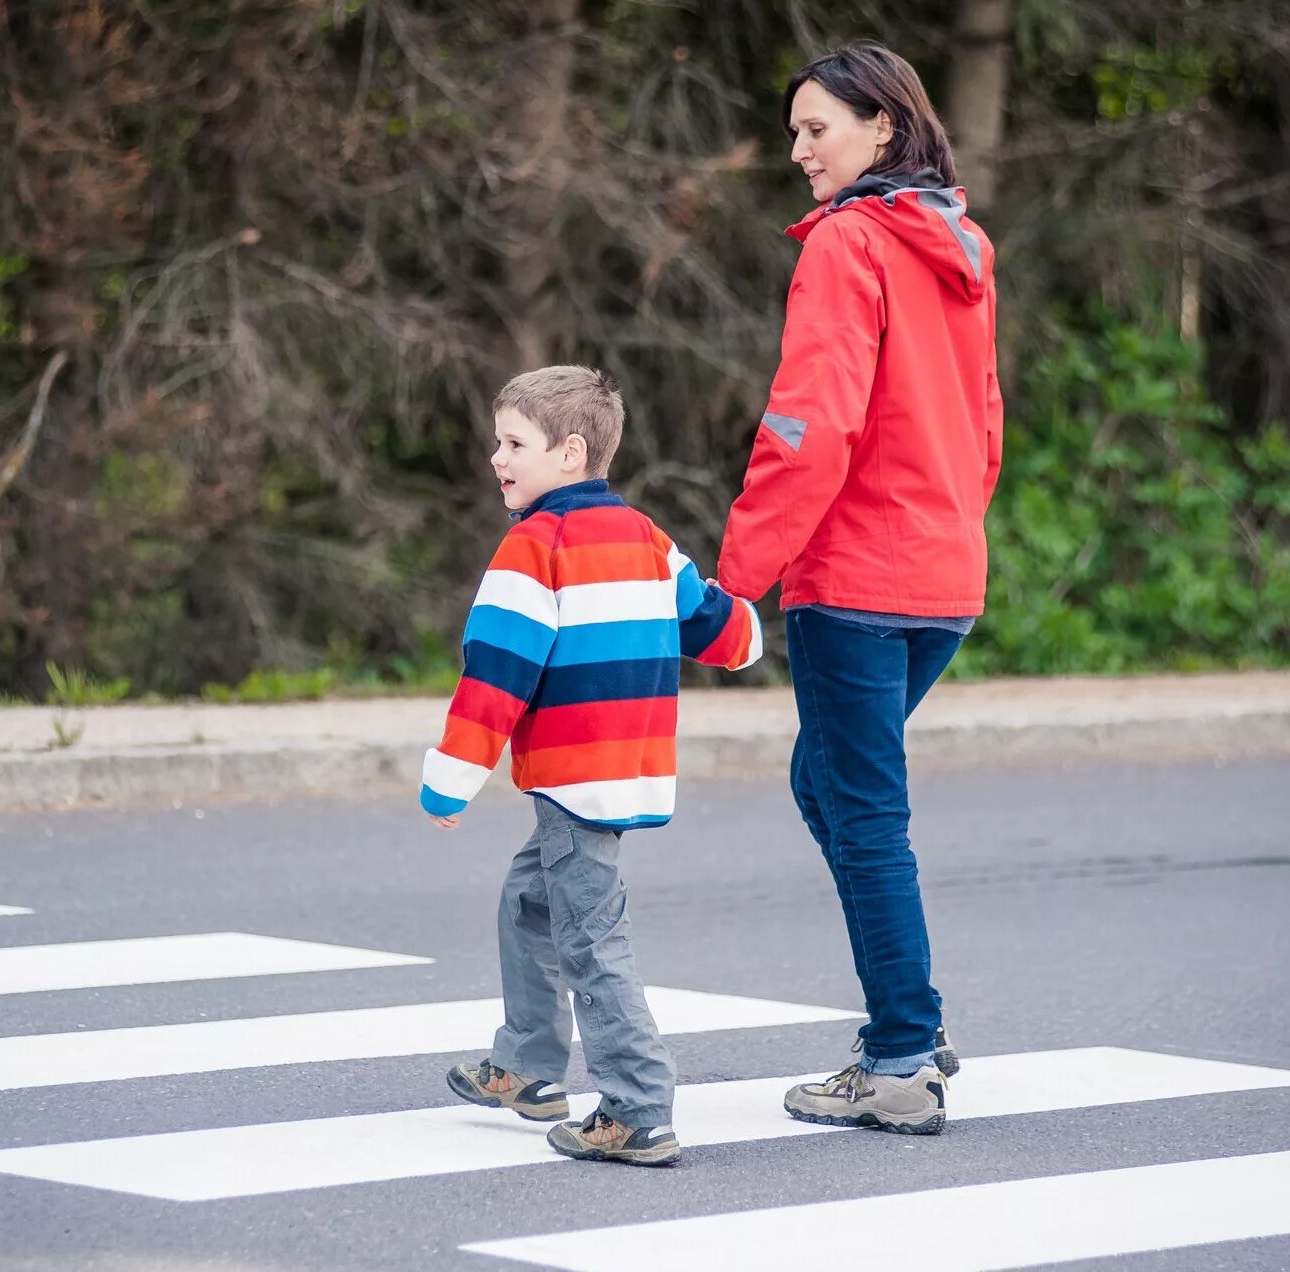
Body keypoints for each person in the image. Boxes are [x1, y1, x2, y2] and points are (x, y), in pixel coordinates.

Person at [715, 42, 1003, 1135]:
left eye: (814, 129)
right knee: (828, 787)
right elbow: (983, 424)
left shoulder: (848, 244)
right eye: (792, 132)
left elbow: (807, 425)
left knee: (862, 812)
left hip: (855, 578)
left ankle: (899, 1053)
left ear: (882, 127)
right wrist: (951, 537)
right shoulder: (960, 244)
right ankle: (905, 1029)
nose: (797, 151)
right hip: (941, 576)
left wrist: (738, 581)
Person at [422, 364, 762, 1166]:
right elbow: (715, 626)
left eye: (513, 442)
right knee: (528, 901)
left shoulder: (533, 547)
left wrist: (453, 775)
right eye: (496, 440)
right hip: (627, 765)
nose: (495, 457)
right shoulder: (646, 538)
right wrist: (749, 630)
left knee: (590, 939)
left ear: (570, 453)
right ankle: (528, 1066)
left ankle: (637, 1108)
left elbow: (495, 672)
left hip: (574, 778)